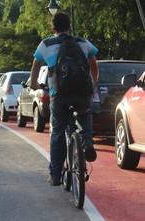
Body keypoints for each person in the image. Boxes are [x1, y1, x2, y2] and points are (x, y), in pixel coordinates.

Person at [29, 12, 99, 186]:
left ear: (53, 28)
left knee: (58, 131)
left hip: (59, 94)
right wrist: (94, 83)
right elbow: (93, 64)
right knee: (85, 113)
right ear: (69, 26)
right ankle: (87, 142)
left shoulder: (46, 44)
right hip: (82, 92)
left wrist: (35, 85)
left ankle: (56, 174)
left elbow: (35, 67)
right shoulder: (83, 43)